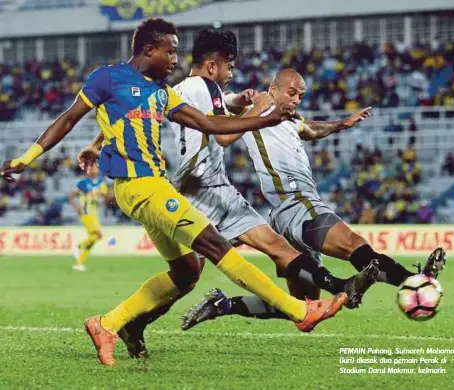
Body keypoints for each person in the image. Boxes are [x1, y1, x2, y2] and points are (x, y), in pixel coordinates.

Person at [1, 19, 347, 367]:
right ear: (149, 49)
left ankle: (108, 324)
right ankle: (299, 310)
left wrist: (262, 121)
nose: (174, 59)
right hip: (139, 186)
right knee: (216, 246)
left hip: (154, 186)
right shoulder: (107, 78)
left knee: (186, 274)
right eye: (170, 51)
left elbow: (210, 124)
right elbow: (67, 118)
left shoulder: (163, 93)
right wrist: (25, 158)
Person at [109, 28, 379, 359]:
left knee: (187, 278)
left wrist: (238, 100)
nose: (231, 74)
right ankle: (339, 288)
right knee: (273, 246)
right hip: (207, 186)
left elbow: (151, 111)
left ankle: (134, 324)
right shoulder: (205, 87)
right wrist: (260, 111)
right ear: (213, 66)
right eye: (230, 67)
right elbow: (221, 135)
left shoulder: (177, 89)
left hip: (185, 188)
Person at [182, 68, 446, 329]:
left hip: (286, 213)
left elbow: (310, 130)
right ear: (273, 89)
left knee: (302, 305)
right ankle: (415, 280)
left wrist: (341, 125)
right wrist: (241, 97)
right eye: (292, 92)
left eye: (301, 95)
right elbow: (225, 105)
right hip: (296, 201)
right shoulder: (258, 108)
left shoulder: (290, 119)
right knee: (355, 245)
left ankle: (223, 305)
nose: (297, 99)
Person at [69, 150, 108, 271]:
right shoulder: (83, 183)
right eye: (91, 168)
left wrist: (103, 194)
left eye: (95, 167)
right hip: (86, 212)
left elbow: (106, 197)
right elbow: (72, 196)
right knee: (98, 235)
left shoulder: (102, 183)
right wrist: (76, 208)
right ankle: (78, 246)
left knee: (93, 239)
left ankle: (79, 263)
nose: (94, 169)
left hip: (95, 213)